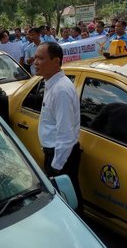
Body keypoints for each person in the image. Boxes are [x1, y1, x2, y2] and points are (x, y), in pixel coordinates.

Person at [34, 42, 81, 210]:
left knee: (68, 203)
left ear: (56, 61)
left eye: (41, 58)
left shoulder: (61, 90)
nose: (35, 62)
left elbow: (65, 134)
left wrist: (56, 167)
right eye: (35, 57)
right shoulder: (51, 84)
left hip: (61, 157)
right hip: (56, 154)